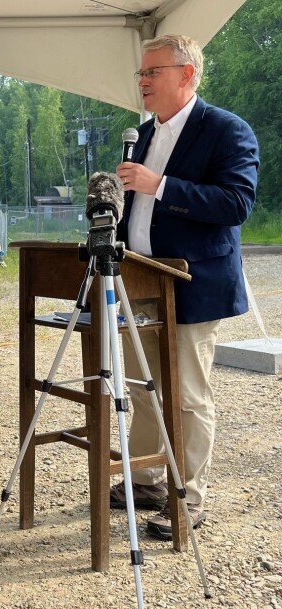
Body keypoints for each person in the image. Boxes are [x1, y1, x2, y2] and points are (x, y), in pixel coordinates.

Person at [114, 34, 259, 539]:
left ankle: (190, 496)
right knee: (141, 383)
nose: (143, 81)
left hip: (192, 283)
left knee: (189, 395)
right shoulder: (142, 133)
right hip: (137, 280)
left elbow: (236, 203)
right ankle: (151, 479)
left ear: (187, 74)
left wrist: (161, 186)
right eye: (141, 73)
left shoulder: (226, 130)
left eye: (152, 72)